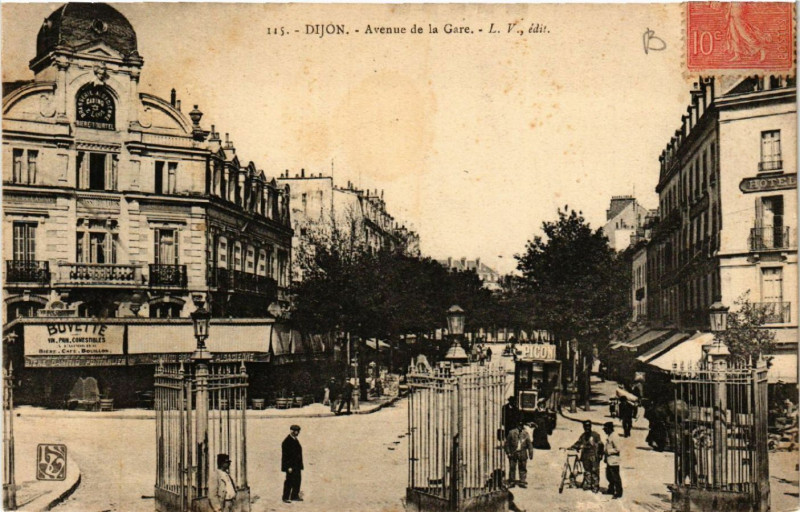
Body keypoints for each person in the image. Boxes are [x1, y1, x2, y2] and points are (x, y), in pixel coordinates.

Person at [568, 420, 603, 492]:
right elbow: (578, 443)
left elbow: (601, 445)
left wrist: (600, 454)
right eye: (585, 427)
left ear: (590, 426)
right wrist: (573, 446)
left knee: (594, 471)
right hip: (585, 456)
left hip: (593, 455)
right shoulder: (583, 436)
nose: (587, 428)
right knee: (587, 470)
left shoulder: (595, 435)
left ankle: (595, 486)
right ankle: (588, 484)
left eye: (588, 426)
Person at [504, 421, 533, 488]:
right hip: (513, 453)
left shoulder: (525, 434)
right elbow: (507, 444)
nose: (520, 428)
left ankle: (522, 481)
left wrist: (530, 454)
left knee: (523, 467)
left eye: (521, 426)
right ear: (516, 426)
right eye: (519, 426)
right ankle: (512, 481)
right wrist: (508, 452)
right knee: (512, 468)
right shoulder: (511, 433)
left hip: (522, 453)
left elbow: (529, 444)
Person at [281, 425, 304, 503]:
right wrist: (288, 467)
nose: (298, 433)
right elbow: (285, 456)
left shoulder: (294, 439)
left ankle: (294, 496)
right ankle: (285, 497)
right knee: (289, 481)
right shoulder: (287, 441)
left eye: (298, 431)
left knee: (297, 480)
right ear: (292, 431)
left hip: (297, 465)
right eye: (297, 431)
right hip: (290, 466)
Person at [603, 422, 623, 498]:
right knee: (609, 476)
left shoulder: (614, 437)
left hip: (614, 460)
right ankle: (611, 489)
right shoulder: (610, 436)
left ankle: (618, 492)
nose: (604, 430)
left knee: (615, 477)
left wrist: (609, 452)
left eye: (605, 429)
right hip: (609, 460)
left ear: (609, 429)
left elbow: (618, 449)